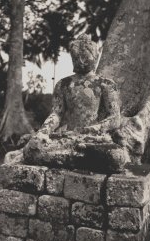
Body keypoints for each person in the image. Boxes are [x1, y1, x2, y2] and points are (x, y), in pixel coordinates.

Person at [7, 34, 128, 172]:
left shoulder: (106, 84)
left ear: (95, 57)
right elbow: (57, 113)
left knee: (116, 157)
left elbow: (115, 118)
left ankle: (70, 158)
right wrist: (44, 131)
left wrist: (97, 128)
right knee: (33, 148)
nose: (81, 60)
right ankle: (77, 159)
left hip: (95, 140)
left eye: (85, 56)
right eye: (77, 57)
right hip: (69, 138)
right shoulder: (63, 84)